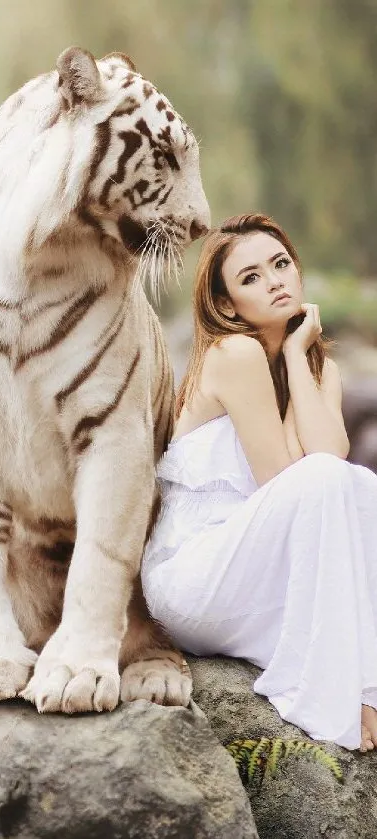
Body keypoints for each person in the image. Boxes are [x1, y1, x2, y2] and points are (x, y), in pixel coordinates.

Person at [141, 212, 377, 752]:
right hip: (192, 576)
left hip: (256, 569)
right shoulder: (234, 353)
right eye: (251, 277)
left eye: (280, 264)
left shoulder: (320, 369)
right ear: (226, 305)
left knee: (361, 489)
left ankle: (360, 687)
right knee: (327, 481)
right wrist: (293, 358)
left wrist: (298, 357)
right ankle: (342, 696)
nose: (274, 280)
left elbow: (330, 460)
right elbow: (285, 479)